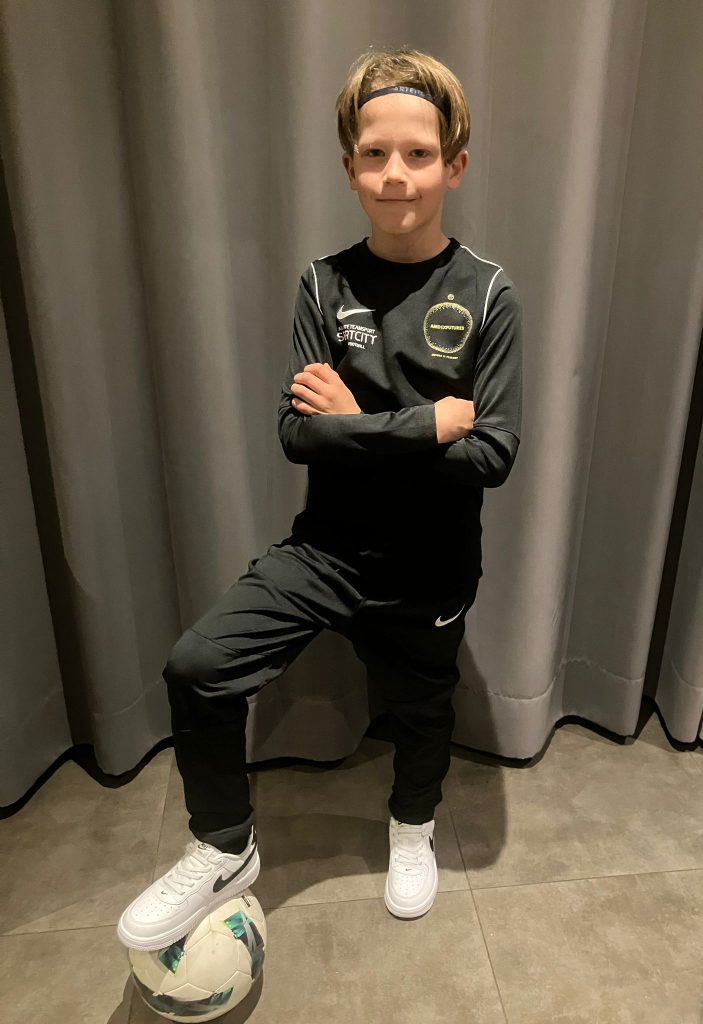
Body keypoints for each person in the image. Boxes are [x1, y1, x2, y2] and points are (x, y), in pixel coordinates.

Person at [117, 45, 522, 950]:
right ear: (348, 168)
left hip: (430, 566)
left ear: (454, 165)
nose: (395, 173)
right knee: (197, 666)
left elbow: (493, 454)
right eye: (374, 154)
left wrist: (357, 423)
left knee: (421, 710)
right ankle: (224, 846)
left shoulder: (489, 293)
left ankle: (411, 825)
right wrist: (425, 425)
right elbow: (299, 435)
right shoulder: (321, 283)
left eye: (418, 154)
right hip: (325, 551)